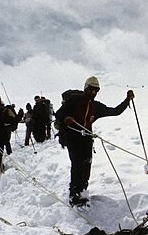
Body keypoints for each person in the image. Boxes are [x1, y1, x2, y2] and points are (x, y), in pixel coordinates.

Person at [57, 76, 134, 206]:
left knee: (87, 163)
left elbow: (115, 111)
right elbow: (58, 114)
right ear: (86, 89)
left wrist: (127, 100)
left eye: (96, 91)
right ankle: (74, 195)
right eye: (91, 90)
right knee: (77, 164)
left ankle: (83, 190)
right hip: (72, 137)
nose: (93, 93)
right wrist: (66, 118)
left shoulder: (95, 106)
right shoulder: (74, 100)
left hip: (86, 137)